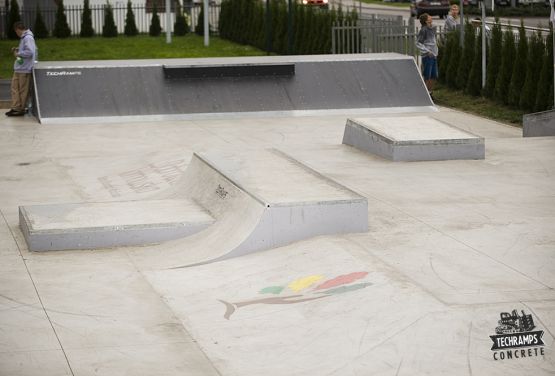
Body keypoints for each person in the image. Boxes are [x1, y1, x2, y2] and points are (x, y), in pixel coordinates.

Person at [6, 22, 37, 117]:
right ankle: (16, 107)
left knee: (23, 90)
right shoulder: (24, 38)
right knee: (15, 88)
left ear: (18, 29)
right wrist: (18, 50)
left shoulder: (28, 37)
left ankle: (21, 109)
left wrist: (19, 53)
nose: (16, 34)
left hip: (25, 69)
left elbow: (30, 52)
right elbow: (26, 50)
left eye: (16, 32)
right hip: (19, 68)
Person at [416, 13, 438, 99]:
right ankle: (424, 95)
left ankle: (429, 92)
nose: (431, 17)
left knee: (434, 76)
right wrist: (427, 51)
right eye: (429, 16)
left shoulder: (432, 28)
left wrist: (435, 52)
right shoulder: (423, 30)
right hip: (427, 56)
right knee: (427, 75)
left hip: (434, 55)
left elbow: (433, 41)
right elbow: (418, 43)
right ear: (426, 20)